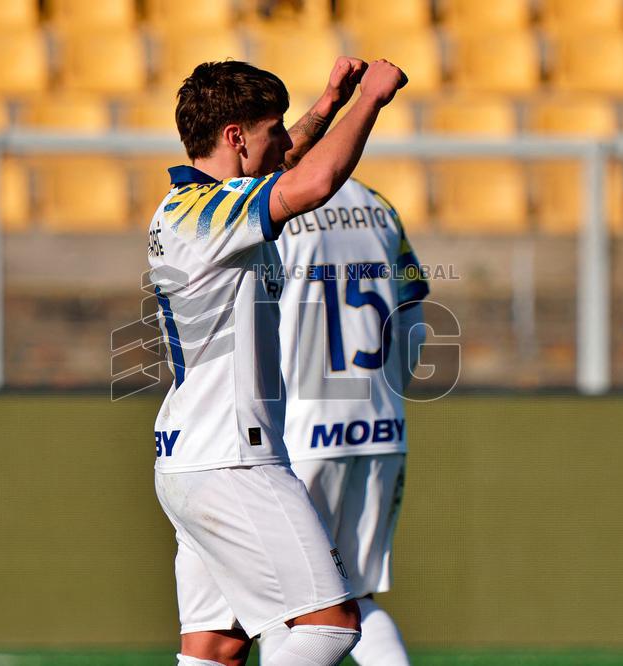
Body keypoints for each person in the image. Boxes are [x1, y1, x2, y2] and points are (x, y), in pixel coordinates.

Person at [147, 57, 408, 666]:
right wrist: (370, 101)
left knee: (216, 647)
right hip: (235, 458)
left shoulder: (197, 206)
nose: (284, 141)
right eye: (273, 129)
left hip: (193, 458)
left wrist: (329, 105)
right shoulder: (210, 213)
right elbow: (312, 183)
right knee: (331, 625)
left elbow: (286, 166)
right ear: (235, 136)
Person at [260, 179, 429, 665]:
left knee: (289, 609)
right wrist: (387, 394)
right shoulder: (377, 205)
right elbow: (413, 318)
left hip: (299, 433)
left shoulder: (275, 205)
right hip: (381, 428)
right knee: (357, 595)